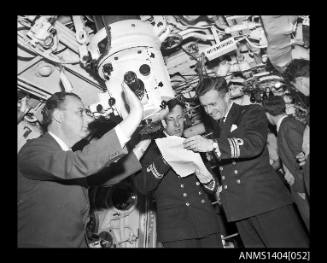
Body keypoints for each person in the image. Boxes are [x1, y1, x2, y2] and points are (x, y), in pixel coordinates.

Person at [183, 77, 309, 248]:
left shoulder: (250, 112)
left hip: (265, 202)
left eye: (213, 104)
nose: (209, 111)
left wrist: (213, 144)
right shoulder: (218, 127)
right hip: (239, 207)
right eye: (205, 106)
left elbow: (254, 144)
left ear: (227, 96)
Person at [18, 84, 143, 247]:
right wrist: (134, 115)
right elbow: (80, 164)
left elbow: (104, 176)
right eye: (80, 112)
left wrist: (144, 139)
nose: (89, 119)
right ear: (59, 117)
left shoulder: (68, 158)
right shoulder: (33, 151)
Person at [133, 99, 223, 248]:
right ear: (162, 122)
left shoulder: (194, 143)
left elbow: (212, 187)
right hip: (176, 230)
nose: (177, 124)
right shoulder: (149, 149)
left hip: (206, 223)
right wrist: (165, 159)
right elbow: (142, 186)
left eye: (180, 118)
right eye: (171, 119)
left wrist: (204, 176)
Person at [263, 96, 309, 232]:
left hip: (302, 188)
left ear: (267, 114)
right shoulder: (286, 125)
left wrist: (301, 189)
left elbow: (304, 158)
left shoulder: (288, 126)